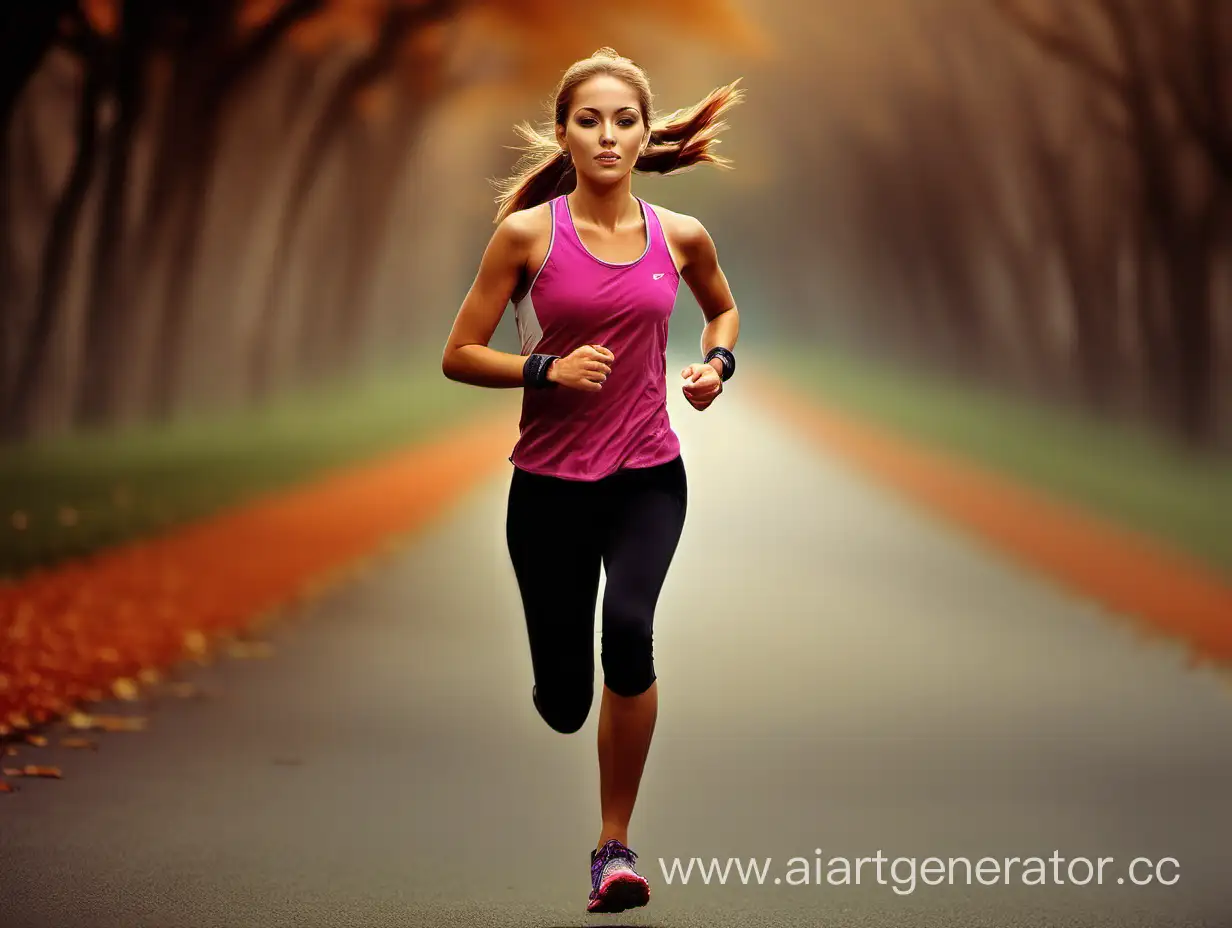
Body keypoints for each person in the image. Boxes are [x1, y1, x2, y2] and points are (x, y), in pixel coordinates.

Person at [441, 47, 742, 914]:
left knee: (633, 633)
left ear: (646, 134)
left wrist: (714, 366)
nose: (607, 135)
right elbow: (458, 354)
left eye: (624, 120)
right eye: (589, 119)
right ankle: (557, 684)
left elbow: (721, 307)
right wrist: (544, 372)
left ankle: (613, 847)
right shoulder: (527, 235)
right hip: (547, 489)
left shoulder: (681, 236)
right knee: (566, 699)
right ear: (564, 133)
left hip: (649, 475)